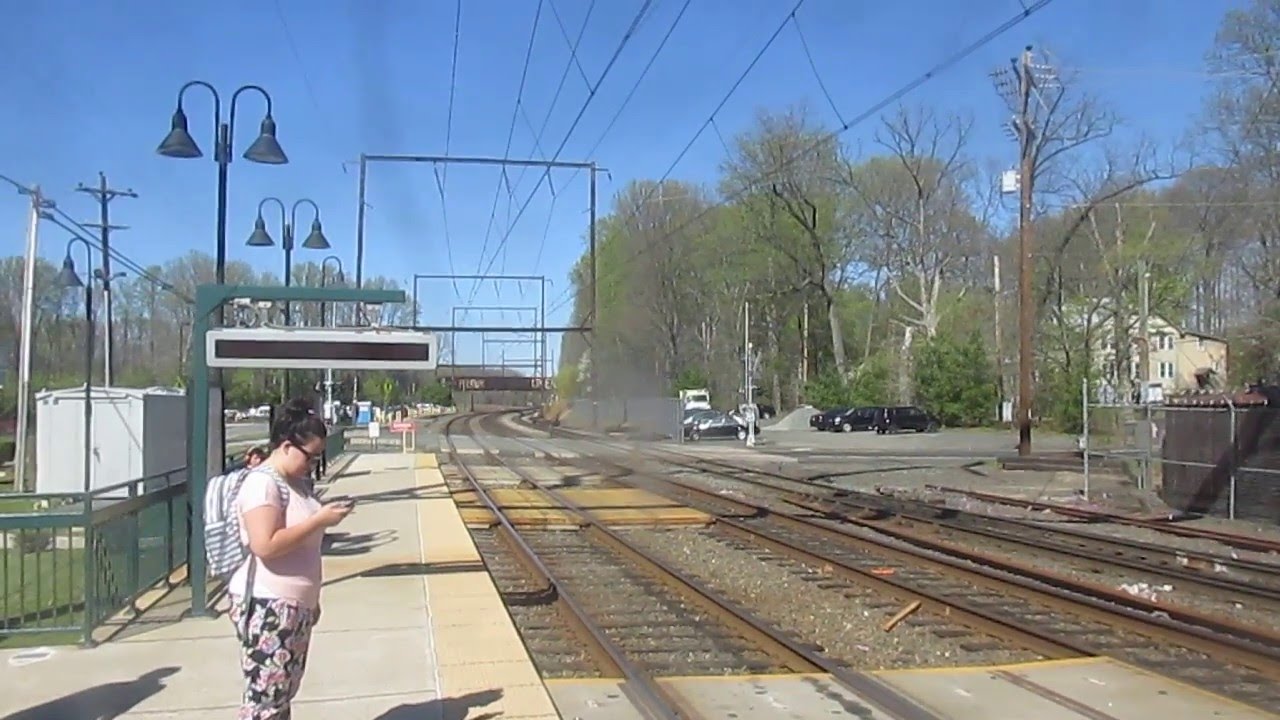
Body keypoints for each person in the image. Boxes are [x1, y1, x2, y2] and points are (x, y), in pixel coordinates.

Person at [229, 398, 354, 719]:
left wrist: (312, 601)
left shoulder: (294, 483)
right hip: (269, 605)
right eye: (310, 456)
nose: (314, 463)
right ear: (287, 446)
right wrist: (319, 520)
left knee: (281, 694)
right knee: (266, 699)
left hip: (292, 606)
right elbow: (265, 544)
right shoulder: (263, 484)